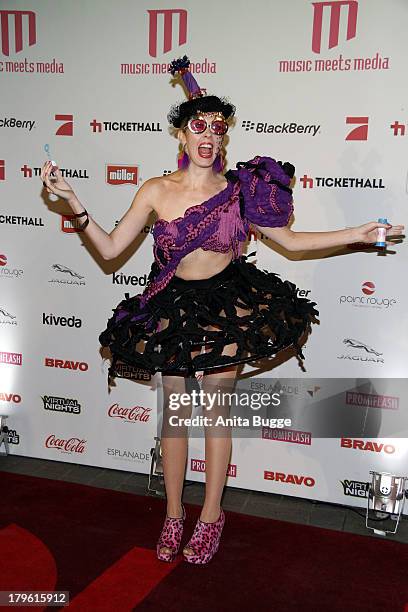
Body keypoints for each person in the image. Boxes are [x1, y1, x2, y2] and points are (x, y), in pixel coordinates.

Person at [40, 56, 404, 565]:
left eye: (218, 128)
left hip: (225, 305)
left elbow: (292, 242)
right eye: (198, 126)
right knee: (172, 415)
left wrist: (356, 234)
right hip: (170, 306)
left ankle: (210, 515)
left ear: (223, 138)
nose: (208, 136)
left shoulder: (241, 191)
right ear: (182, 135)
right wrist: (72, 203)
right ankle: (173, 512)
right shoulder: (155, 190)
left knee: (213, 412)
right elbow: (108, 249)